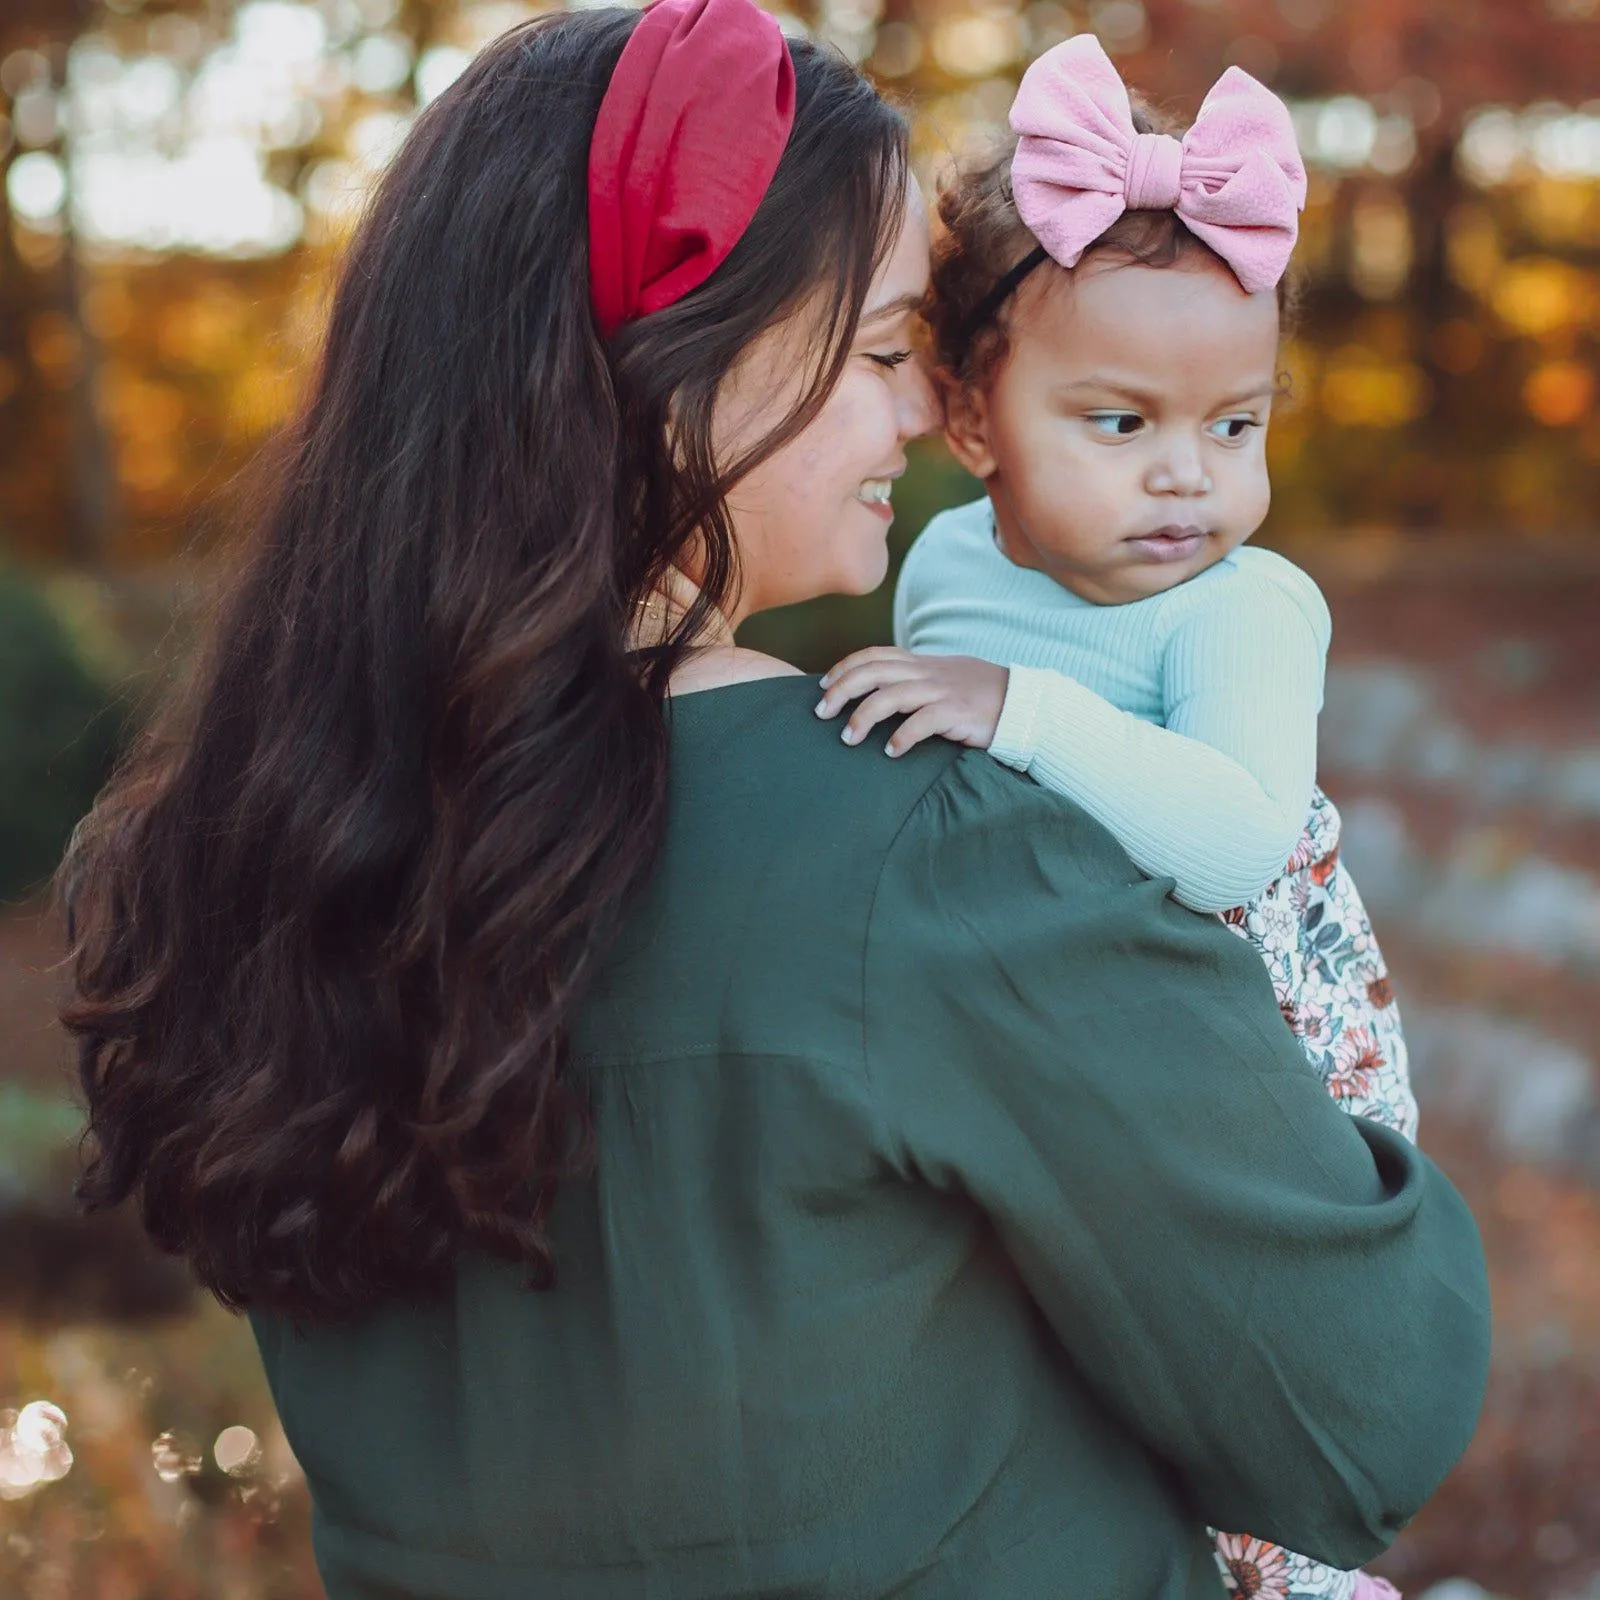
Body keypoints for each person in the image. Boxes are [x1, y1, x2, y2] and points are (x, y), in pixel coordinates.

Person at [61, 5, 1489, 1597]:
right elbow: (1367, 1414)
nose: (917, 415)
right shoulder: (931, 860)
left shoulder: (269, 858)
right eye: (883, 351)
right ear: (669, 366)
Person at [813, 39, 1421, 1598]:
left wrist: (1020, 710)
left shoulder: (1238, 613)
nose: (1188, 483)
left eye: (1236, 426)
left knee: (1248, 1455)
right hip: (1067, 1034)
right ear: (968, 415)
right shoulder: (950, 564)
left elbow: (1226, 836)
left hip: (1257, 1048)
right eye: (1121, 422)